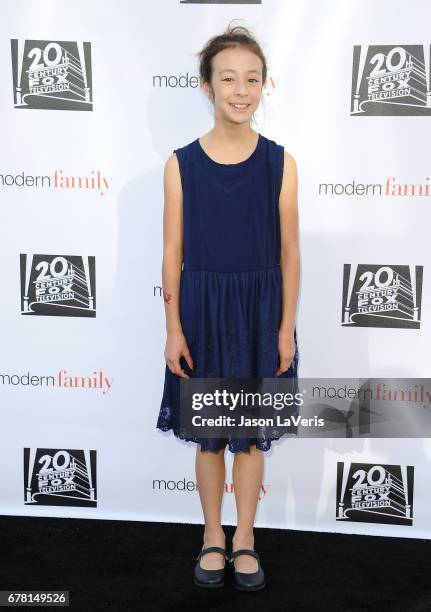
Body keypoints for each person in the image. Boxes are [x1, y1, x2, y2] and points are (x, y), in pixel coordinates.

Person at [156, 22, 300, 591]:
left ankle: (246, 538)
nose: (241, 90)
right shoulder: (180, 165)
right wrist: (173, 327)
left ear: (264, 86)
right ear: (206, 86)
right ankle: (212, 534)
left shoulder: (281, 164)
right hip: (205, 312)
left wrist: (286, 327)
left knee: (251, 434)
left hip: (261, 313)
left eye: (252, 80)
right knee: (211, 433)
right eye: (229, 79)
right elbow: (172, 253)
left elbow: (290, 251)